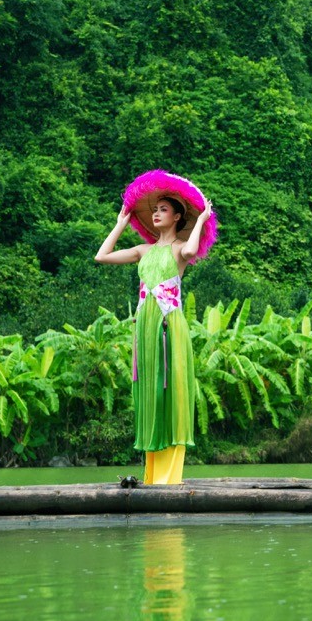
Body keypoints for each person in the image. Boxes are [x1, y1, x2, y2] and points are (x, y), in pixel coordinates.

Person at [95, 195, 212, 484]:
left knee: (170, 392)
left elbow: (194, 249)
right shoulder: (142, 250)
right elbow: (101, 256)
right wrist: (120, 224)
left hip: (169, 324)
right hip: (145, 328)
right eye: (155, 210)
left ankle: (170, 476)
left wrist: (201, 219)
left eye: (164, 210)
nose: (157, 214)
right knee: (150, 393)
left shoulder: (181, 248)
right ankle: (153, 474)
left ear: (176, 218)